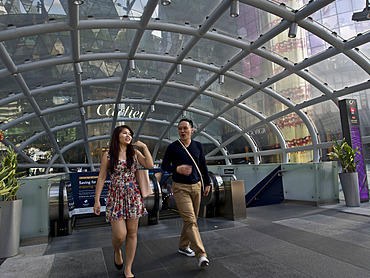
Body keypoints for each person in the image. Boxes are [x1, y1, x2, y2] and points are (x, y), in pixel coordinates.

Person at [94, 125, 154, 278]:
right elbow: (101, 177)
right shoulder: (108, 155)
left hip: (133, 195)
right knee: (120, 235)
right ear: (117, 136)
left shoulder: (134, 153)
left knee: (132, 233)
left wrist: (145, 147)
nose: (128, 136)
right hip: (116, 197)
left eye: (130, 134)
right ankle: (117, 250)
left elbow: (149, 165)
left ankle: (128, 268)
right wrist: (97, 200)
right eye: (125, 133)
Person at [161, 118, 211, 267]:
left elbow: (203, 165)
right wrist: (176, 169)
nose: (182, 131)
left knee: (192, 220)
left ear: (191, 130)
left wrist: (207, 183)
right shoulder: (173, 147)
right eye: (180, 128)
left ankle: (183, 246)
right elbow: (164, 165)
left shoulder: (198, 146)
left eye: (185, 128)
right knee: (190, 220)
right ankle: (201, 254)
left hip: (196, 187)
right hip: (180, 187)